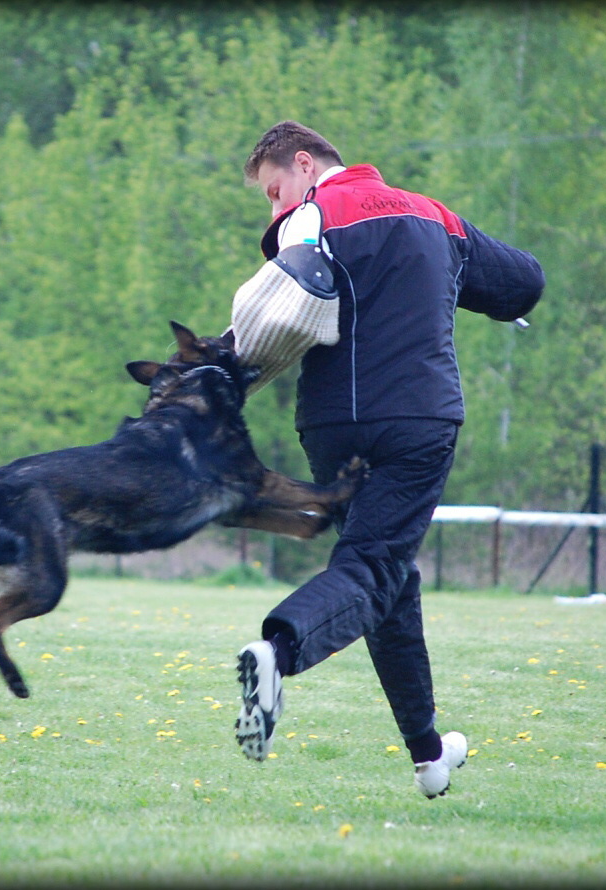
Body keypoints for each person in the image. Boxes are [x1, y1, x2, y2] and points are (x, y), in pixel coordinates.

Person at [228, 121, 544, 798]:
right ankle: (277, 653)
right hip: (418, 422)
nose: (275, 208)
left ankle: (429, 756)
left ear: (306, 165)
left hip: (332, 431)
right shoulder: (435, 216)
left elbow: (267, 314)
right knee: (373, 566)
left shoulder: (307, 219)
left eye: (274, 191)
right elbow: (521, 282)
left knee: (389, 579)